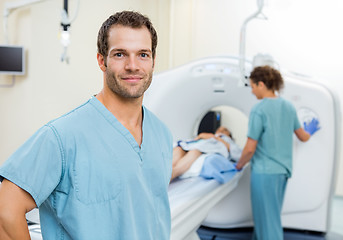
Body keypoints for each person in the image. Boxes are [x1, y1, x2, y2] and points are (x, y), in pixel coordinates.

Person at [0, 11, 173, 240]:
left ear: (153, 61)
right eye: (120, 54)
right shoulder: (62, 137)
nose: (133, 65)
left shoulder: (161, 134)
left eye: (143, 54)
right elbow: (6, 212)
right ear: (102, 60)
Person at [235, 65, 320, 240]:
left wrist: (239, 164)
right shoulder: (288, 107)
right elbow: (303, 137)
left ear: (261, 84)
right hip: (282, 172)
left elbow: (250, 148)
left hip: (265, 173)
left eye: (252, 87)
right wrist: (310, 130)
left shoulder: (259, 109)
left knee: (268, 224)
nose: (252, 92)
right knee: (266, 219)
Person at [172, 126, 242, 180]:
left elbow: (238, 155)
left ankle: (172, 174)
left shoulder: (227, 140)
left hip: (201, 148)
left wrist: (218, 138)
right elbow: (194, 140)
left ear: (229, 136)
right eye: (219, 129)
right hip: (191, 145)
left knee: (195, 151)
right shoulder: (209, 135)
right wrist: (201, 136)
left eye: (225, 130)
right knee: (179, 149)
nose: (221, 130)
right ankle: (164, 173)